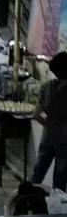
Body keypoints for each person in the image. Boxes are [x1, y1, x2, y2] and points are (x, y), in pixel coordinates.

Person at [31, 51, 67, 191]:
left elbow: (36, 114)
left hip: (47, 137)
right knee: (59, 181)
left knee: (37, 174)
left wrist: (48, 124)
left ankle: (29, 198)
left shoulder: (46, 87)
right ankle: (55, 204)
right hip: (64, 141)